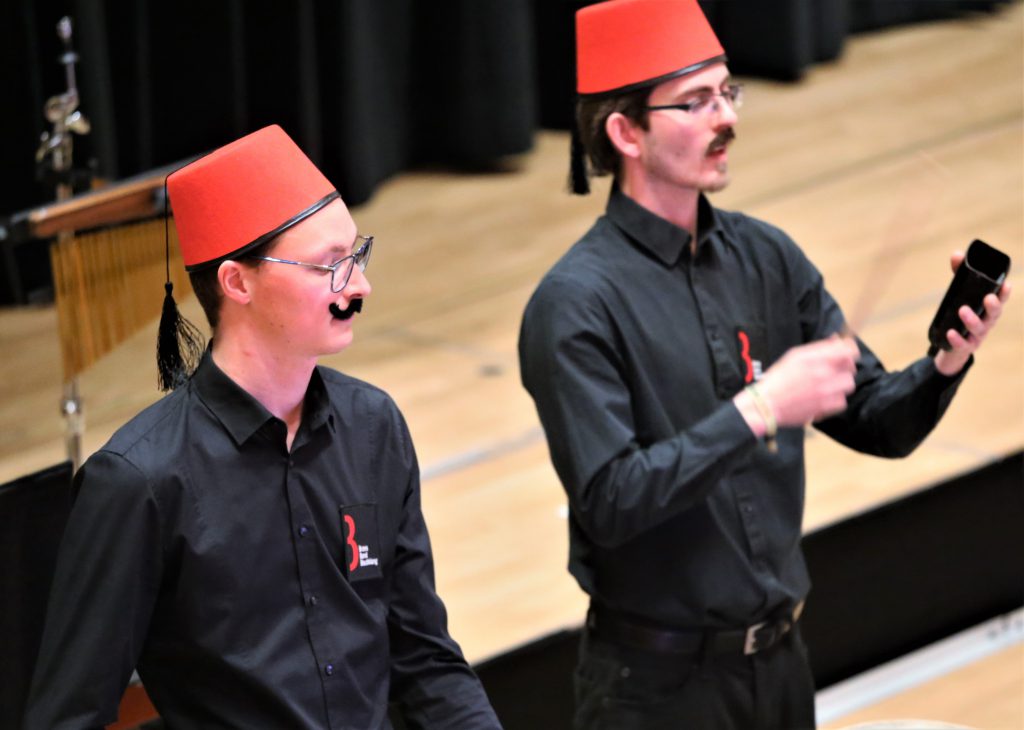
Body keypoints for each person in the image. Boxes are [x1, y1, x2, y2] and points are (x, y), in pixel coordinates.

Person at [517, 1, 1011, 728]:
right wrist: (760, 409)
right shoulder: (576, 305)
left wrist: (944, 363)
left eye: (728, 92)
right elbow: (612, 503)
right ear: (625, 131)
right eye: (695, 102)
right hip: (656, 693)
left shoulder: (767, 258)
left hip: (780, 669)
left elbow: (878, 421)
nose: (726, 118)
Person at [24, 125, 501, 730]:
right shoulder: (139, 482)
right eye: (330, 265)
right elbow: (70, 714)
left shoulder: (374, 426)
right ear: (237, 281)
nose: (359, 285)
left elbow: (425, 658)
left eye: (357, 254)